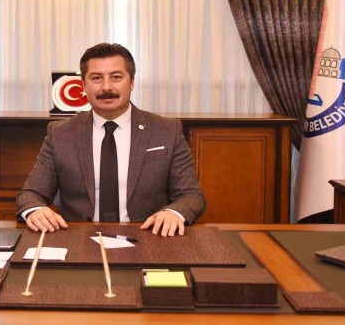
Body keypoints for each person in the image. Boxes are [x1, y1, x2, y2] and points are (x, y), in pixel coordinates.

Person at [16, 43, 206, 237]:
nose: (106, 87)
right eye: (96, 78)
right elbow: (30, 194)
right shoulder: (60, 134)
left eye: (116, 77)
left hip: (148, 237)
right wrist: (35, 210)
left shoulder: (167, 131)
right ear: (84, 85)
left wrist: (173, 213)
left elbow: (191, 195)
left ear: (132, 82)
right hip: (78, 239)